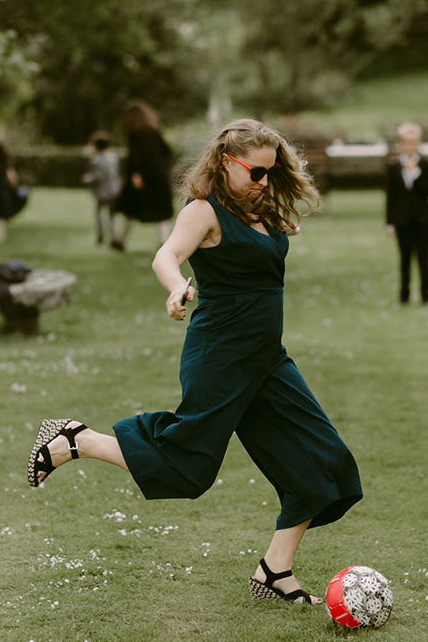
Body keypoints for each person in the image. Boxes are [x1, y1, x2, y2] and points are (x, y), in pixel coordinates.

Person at [27, 118, 363, 606]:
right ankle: (76, 440)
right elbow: (166, 255)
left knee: (323, 461)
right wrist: (177, 286)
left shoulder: (260, 206)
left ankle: (274, 572)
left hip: (267, 359)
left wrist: (264, 191)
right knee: (189, 468)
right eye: (255, 172)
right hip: (221, 356)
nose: (264, 181)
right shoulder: (203, 211)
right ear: (227, 163)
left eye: (271, 171)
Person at [384, 122, 428, 306]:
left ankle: (426, 295)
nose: (410, 146)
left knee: (424, 259)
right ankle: (403, 296)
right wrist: (389, 223)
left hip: (422, 218)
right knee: (404, 259)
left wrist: (415, 174)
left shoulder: (426, 165)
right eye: (406, 142)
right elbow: (390, 197)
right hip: (401, 219)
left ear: (419, 143)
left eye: (414, 142)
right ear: (399, 144)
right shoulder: (392, 167)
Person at [113, 100, 174, 251]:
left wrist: (136, 174)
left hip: (141, 177)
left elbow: (135, 157)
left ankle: (121, 241)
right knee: (161, 211)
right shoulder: (154, 131)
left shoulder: (135, 134)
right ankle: (164, 241)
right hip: (157, 176)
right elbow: (167, 151)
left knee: (131, 209)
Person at [82, 131, 122, 246]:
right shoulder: (113, 157)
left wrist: (88, 179)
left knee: (99, 212)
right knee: (112, 214)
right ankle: (113, 236)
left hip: (102, 191)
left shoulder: (96, 159)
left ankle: (100, 234)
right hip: (114, 189)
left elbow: (97, 176)